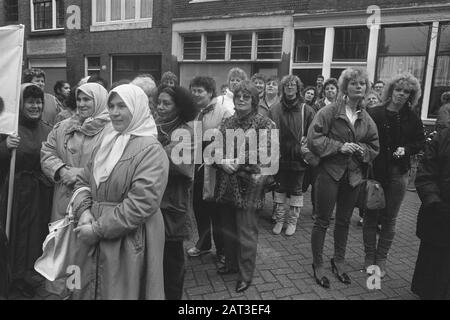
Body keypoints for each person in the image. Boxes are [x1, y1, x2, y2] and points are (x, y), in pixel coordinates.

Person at [70, 84, 167, 300]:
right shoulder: (107, 142)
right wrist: (83, 211)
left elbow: (141, 203)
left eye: (122, 106)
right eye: (111, 105)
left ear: (137, 108)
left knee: (121, 291)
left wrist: (97, 229)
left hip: (129, 238)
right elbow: (83, 181)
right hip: (93, 228)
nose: (114, 112)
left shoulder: (151, 149)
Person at [307, 67, 379, 288]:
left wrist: (362, 150)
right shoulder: (329, 111)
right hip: (329, 173)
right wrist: (339, 147)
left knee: (344, 221)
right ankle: (317, 264)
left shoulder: (366, 117)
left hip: (354, 176)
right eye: (354, 83)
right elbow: (313, 138)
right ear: (345, 86)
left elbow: (374, 145)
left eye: (362, 84)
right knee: (322, 220)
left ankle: (338, 261)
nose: (359, 86)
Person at [41, 83, 111, 295]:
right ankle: (67, 292)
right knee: (64, 247)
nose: (81, 104)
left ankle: (84, 293)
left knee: (86, 252)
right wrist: (61, 170)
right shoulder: (63, 126)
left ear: (98, 100)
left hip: (91, 201)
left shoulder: (111, 130)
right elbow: (47, 151)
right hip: (63, 198)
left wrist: (79, 174)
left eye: (87, 99)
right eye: (79, 99)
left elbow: (112, 165)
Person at [215, 80, 276, 293]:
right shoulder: (227, 122)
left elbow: (267, 152)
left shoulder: (265, 123)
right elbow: (216, 147)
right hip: (227, 184)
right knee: (229, 229)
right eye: (238, 96)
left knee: (246, 232)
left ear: (254, 100)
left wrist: (238, 161)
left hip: (250, 186)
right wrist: (222, 161)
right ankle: (231, 265)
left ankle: (245, 274)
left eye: (246, 96)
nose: (241, 99)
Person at [364, 73, 425, 276]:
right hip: (376, 173)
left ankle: (381, 258)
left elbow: (419, 143)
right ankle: (369, 256)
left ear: (411, 95)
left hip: (399, 174)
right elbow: (364, 138)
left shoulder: (413, 118)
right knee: (372, 215)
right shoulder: (374, 112)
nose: (401, 94)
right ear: (391, 90)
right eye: (398, 89)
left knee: (390, 218)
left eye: (406, 91)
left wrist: (406, 149)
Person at [0, 84, 53, 298]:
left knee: (34, 237)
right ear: (21, 104)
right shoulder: (7, 129)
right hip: (12, 192)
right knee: (12, 236)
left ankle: (28, 277)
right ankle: (10, 278)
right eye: (30, 101)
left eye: (39, 101)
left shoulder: (48, 129)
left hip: (38, 194)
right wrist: (5, 147)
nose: (36, 106)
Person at [155, 85, 198, 300]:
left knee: (172, 261)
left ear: (179, 107)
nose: (160, 107)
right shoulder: (156, 127)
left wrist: (146, 150)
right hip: (154, 204)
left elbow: (173, 163)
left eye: (166, 103)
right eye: (159, 102)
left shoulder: (186, 132)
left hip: (173, 206)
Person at [186, 76, 232, 263]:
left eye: (200, 91)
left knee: (216, 211)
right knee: (199, 207)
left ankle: (222, 249)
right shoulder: (190, 111)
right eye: (193, 90)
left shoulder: (224, 112)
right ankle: (204, 244)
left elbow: (228, 140)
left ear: (210, 92)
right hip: (194, 167)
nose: (195, 94)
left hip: (214, 169)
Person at [268, 75, 315, 236]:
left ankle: (292, 221)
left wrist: (306, 142)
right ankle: (280, 220)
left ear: (298, 88)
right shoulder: (274, 109)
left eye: (293, 84)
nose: (289, 87)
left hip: (298, 158)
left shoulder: (306, 109)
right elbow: (267, 132)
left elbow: (314, 133)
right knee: (279, 188)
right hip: (280, 157)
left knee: (296, 189)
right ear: (282, 88)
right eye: (286, 85)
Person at [411, 128, 450, 300]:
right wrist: (435, 202)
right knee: (433, 266)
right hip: (439, 214)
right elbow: (425, 174)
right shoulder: (442, 138)